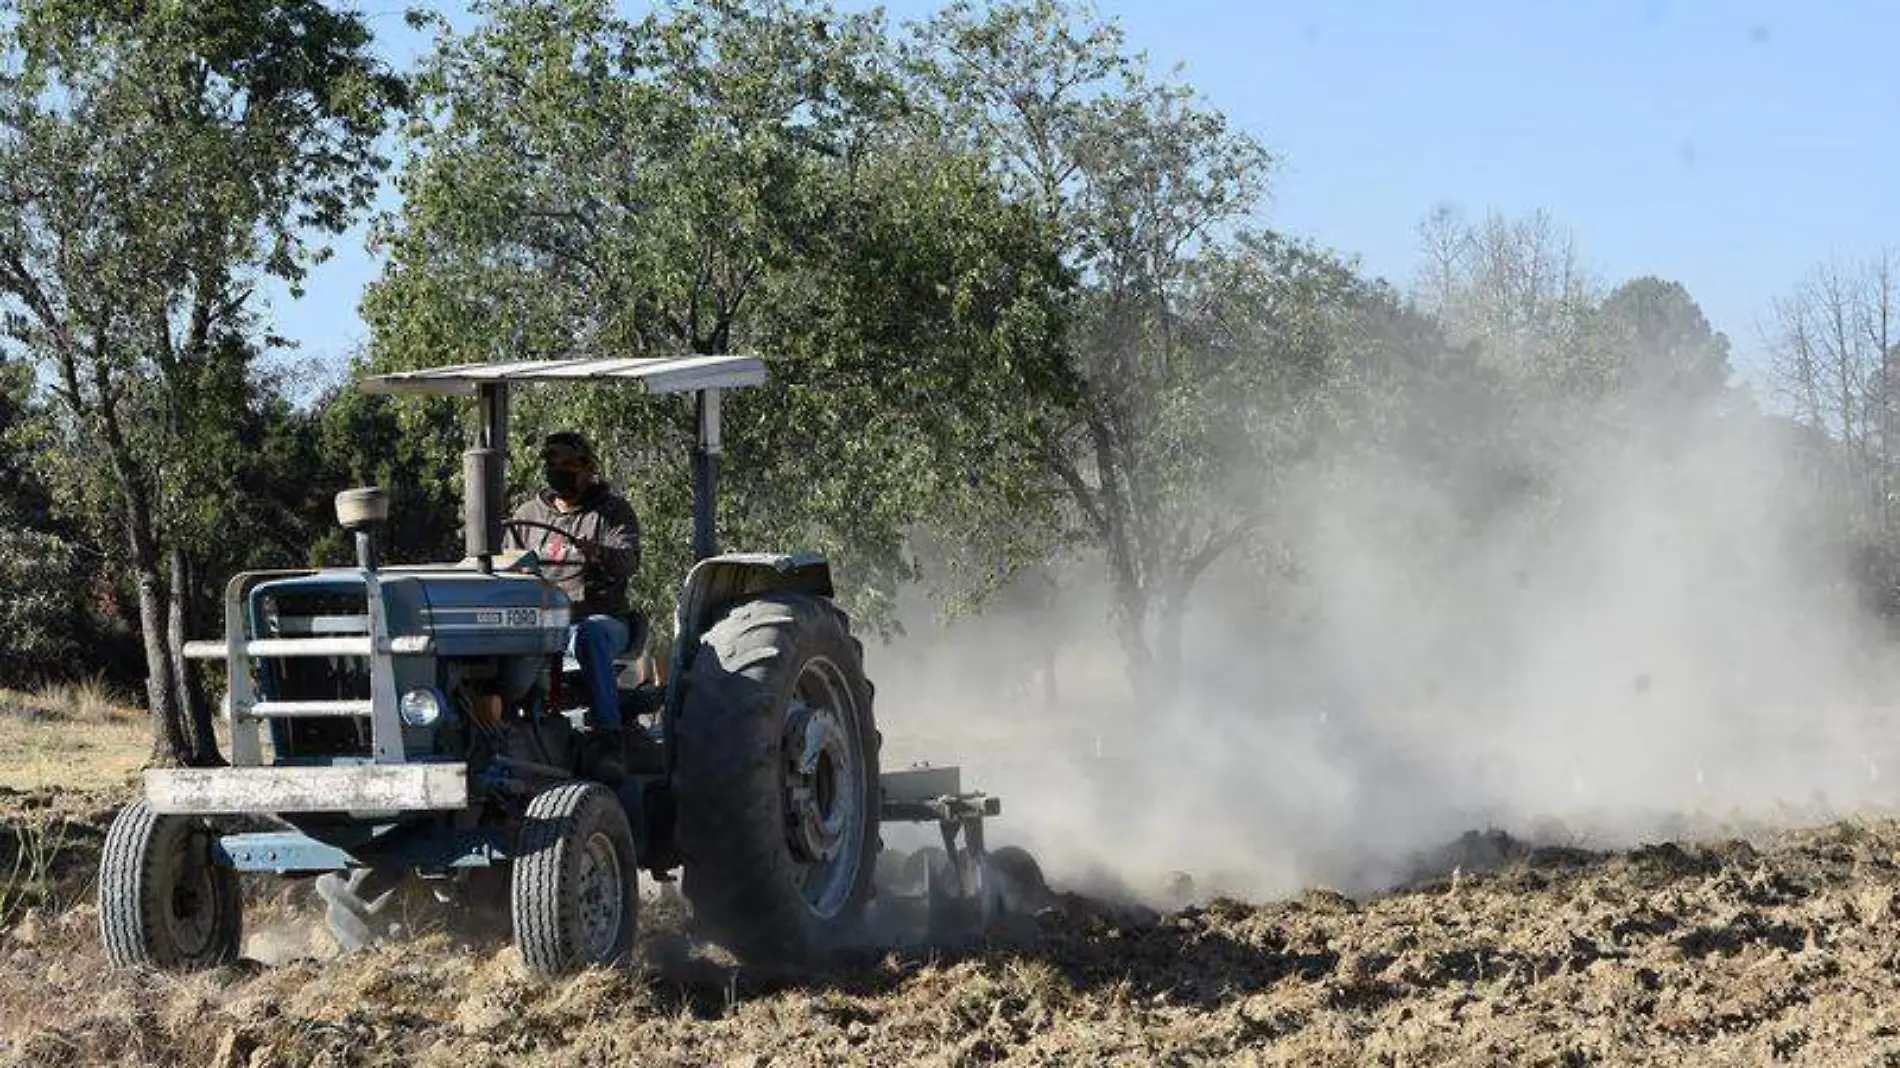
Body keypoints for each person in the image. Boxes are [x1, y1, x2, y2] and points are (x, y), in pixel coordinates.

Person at [505, 430, 642, 776]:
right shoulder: (527, 515)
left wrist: (597, 552)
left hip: (601, 618)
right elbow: (505, 561)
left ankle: (607, 740)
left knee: (588, 635)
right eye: (552, 463)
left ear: (588, 468)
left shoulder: (610, 512)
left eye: (568, 464)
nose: (559, 470)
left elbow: (628, 560)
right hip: (544, 623)